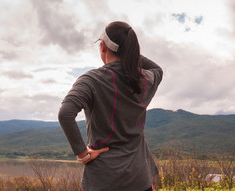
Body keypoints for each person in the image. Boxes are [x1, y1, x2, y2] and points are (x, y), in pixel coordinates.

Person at [58, 21, 163, 191]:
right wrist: (129, 53)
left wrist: (82, 154)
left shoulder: (92, 80)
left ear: (103, 46)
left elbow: (65, 113)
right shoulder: (145, 80)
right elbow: (158, 69)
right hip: (140, 177)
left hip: (103, 180)